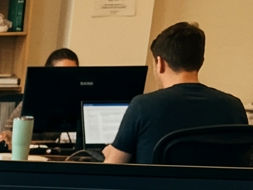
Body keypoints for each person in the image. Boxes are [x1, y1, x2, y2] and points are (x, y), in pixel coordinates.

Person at [103, 22, 245, 163]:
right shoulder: (233, 106)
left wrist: (110, 153)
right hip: (217, 186)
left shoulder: (143, 105)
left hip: (156, 186)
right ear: (200, 61)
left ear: (160, 63)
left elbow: (111, 169)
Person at [0, 48, 79, 144]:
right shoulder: (35, 99)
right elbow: (8, 132)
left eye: (72, 73)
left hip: (73, 155)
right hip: (34, 153)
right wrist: (7, 136)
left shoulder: (82, 101)